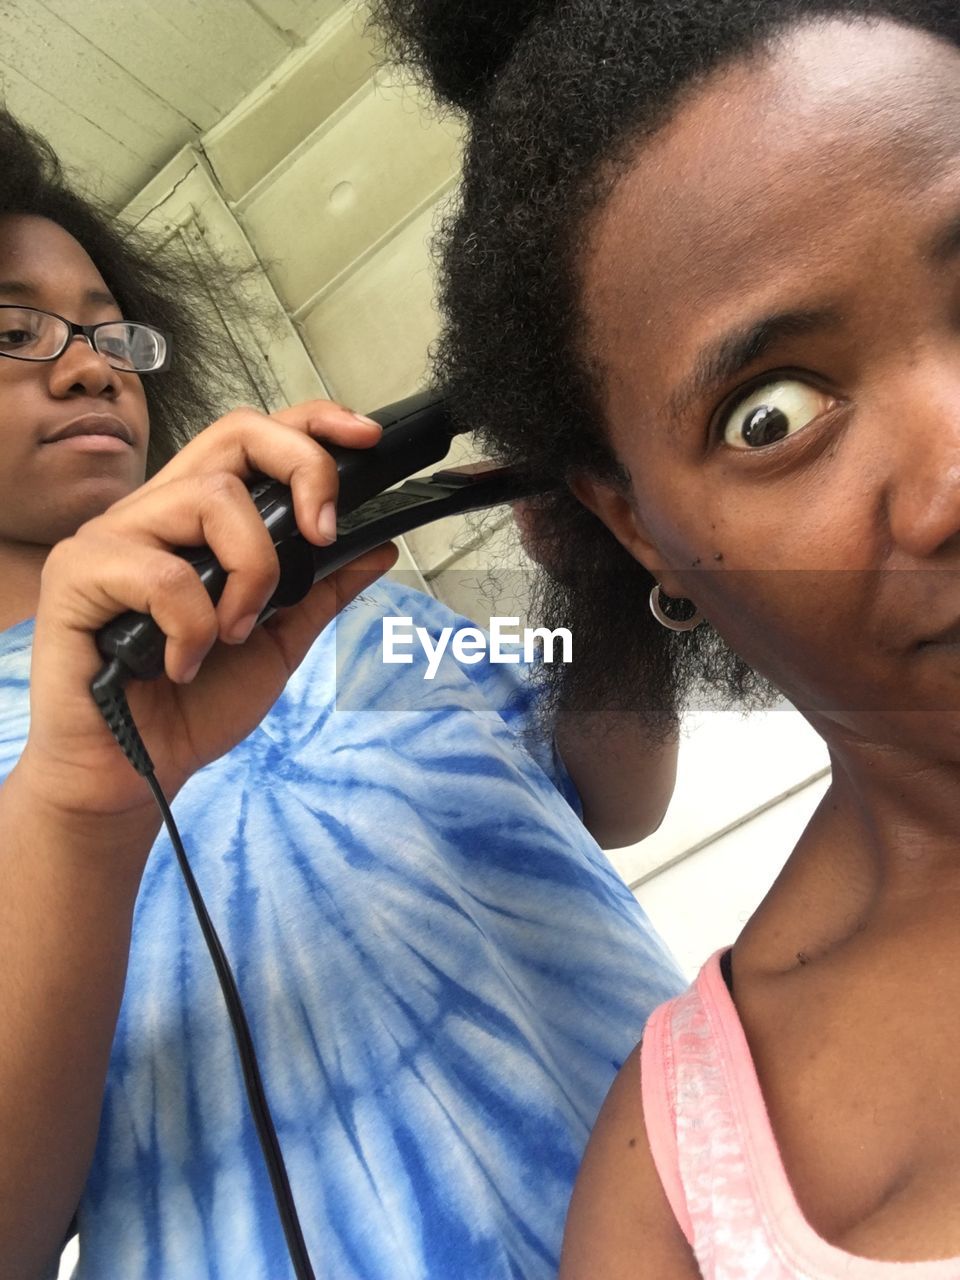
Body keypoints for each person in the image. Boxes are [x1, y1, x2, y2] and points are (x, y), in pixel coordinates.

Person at [0, 109, 685, 1280]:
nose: (91, 360)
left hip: (705, 1220)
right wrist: (77, 807)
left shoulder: (349, 604)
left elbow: (611, 793)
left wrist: (603, 575)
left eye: (113, 330)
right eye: (16, 328)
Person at [372, 0, 960, 1274]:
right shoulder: (681, 1180)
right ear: (636, 529)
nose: (950, 468)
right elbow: (610, 786)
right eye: (772, 413)